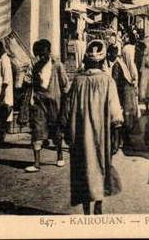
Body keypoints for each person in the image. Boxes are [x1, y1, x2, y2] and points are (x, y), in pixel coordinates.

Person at [63, 39, 123, 215]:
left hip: (81, 134)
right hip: (101, 134)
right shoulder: (107, 81)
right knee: (99, 166)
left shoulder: (78, 81)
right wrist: (116, 136)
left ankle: (86, 211)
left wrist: (67, 132)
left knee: (82, 169)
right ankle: (98, 205)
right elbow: (115, 112)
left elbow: (67, 108)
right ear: (102, 61)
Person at [26, 38, 70, 173]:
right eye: (41, 54)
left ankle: (60, 155)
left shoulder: (57, 66)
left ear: (49, 52)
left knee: (57, 131)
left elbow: (65, 86)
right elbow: (32, 85)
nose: (43, 57)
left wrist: (64, 105)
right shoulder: (36, 67)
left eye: (45, 54)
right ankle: (37, 163)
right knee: (37, 131)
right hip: (40, 103)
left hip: (55, 104)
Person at [108, 45, 138, 145]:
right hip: (122, 96)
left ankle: (125, 138)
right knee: (123, 117)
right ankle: (122, 139)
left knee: (129, 116)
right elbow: (115, 82)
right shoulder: (118, 65)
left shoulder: (129, 65)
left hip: (128, 96)